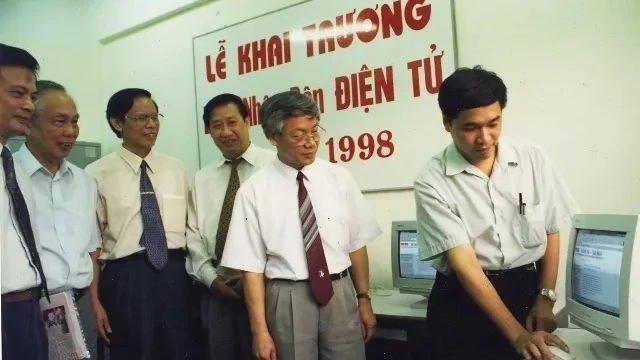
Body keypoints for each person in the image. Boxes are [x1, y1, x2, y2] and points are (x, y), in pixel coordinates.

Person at [413, 66, 579, 360]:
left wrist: (545, 298)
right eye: (470, 127)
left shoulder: (532, 158)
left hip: (527, 291)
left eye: (494, 123)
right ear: (447, 123)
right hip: (463, 300)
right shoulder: (431, 180)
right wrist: (516, 335)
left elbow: (551, 229)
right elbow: (464, 266)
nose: (485, 138)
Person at [220, 91, 380, 360]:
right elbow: (251, 269)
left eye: (314, 131)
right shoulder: (253, 191)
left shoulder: (338, 178)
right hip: (287, 296)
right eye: (298, 135)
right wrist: (259, 331)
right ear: (273, 138)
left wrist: (364, 299)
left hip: (339, 291)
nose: (310, 142)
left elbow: (356, 244)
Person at [85, 88, 192, 359]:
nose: (151, 125)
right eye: (142, 118)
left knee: (180, 350)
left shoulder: (176, 168)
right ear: (117, 123)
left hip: (175, 274)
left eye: (155, 118)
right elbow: (92, 245)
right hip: (125, 278)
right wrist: (95, 302)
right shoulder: (96, 174)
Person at [13, 79, 100, 358]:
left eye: (75, 122)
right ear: (29, 123)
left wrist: (96, 304)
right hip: (29, 307)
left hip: (80, 303)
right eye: (59, 122)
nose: (70, 132)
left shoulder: (84, 181)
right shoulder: (10, 176)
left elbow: (91, 250)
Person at [186, 93, 275, 359]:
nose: (225, 132)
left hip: (267, 288)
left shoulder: (275, 166)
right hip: (219, 291)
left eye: (232, 122)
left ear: (248, 121)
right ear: (209, 131)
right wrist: (212, 281)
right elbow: (193, 238)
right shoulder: (202, 178)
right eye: (217, 126)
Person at [0, 43, 49, 360]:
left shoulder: (12, 162)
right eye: (18, 93)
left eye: (32, 96)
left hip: (27, 309)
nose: (29, 105)